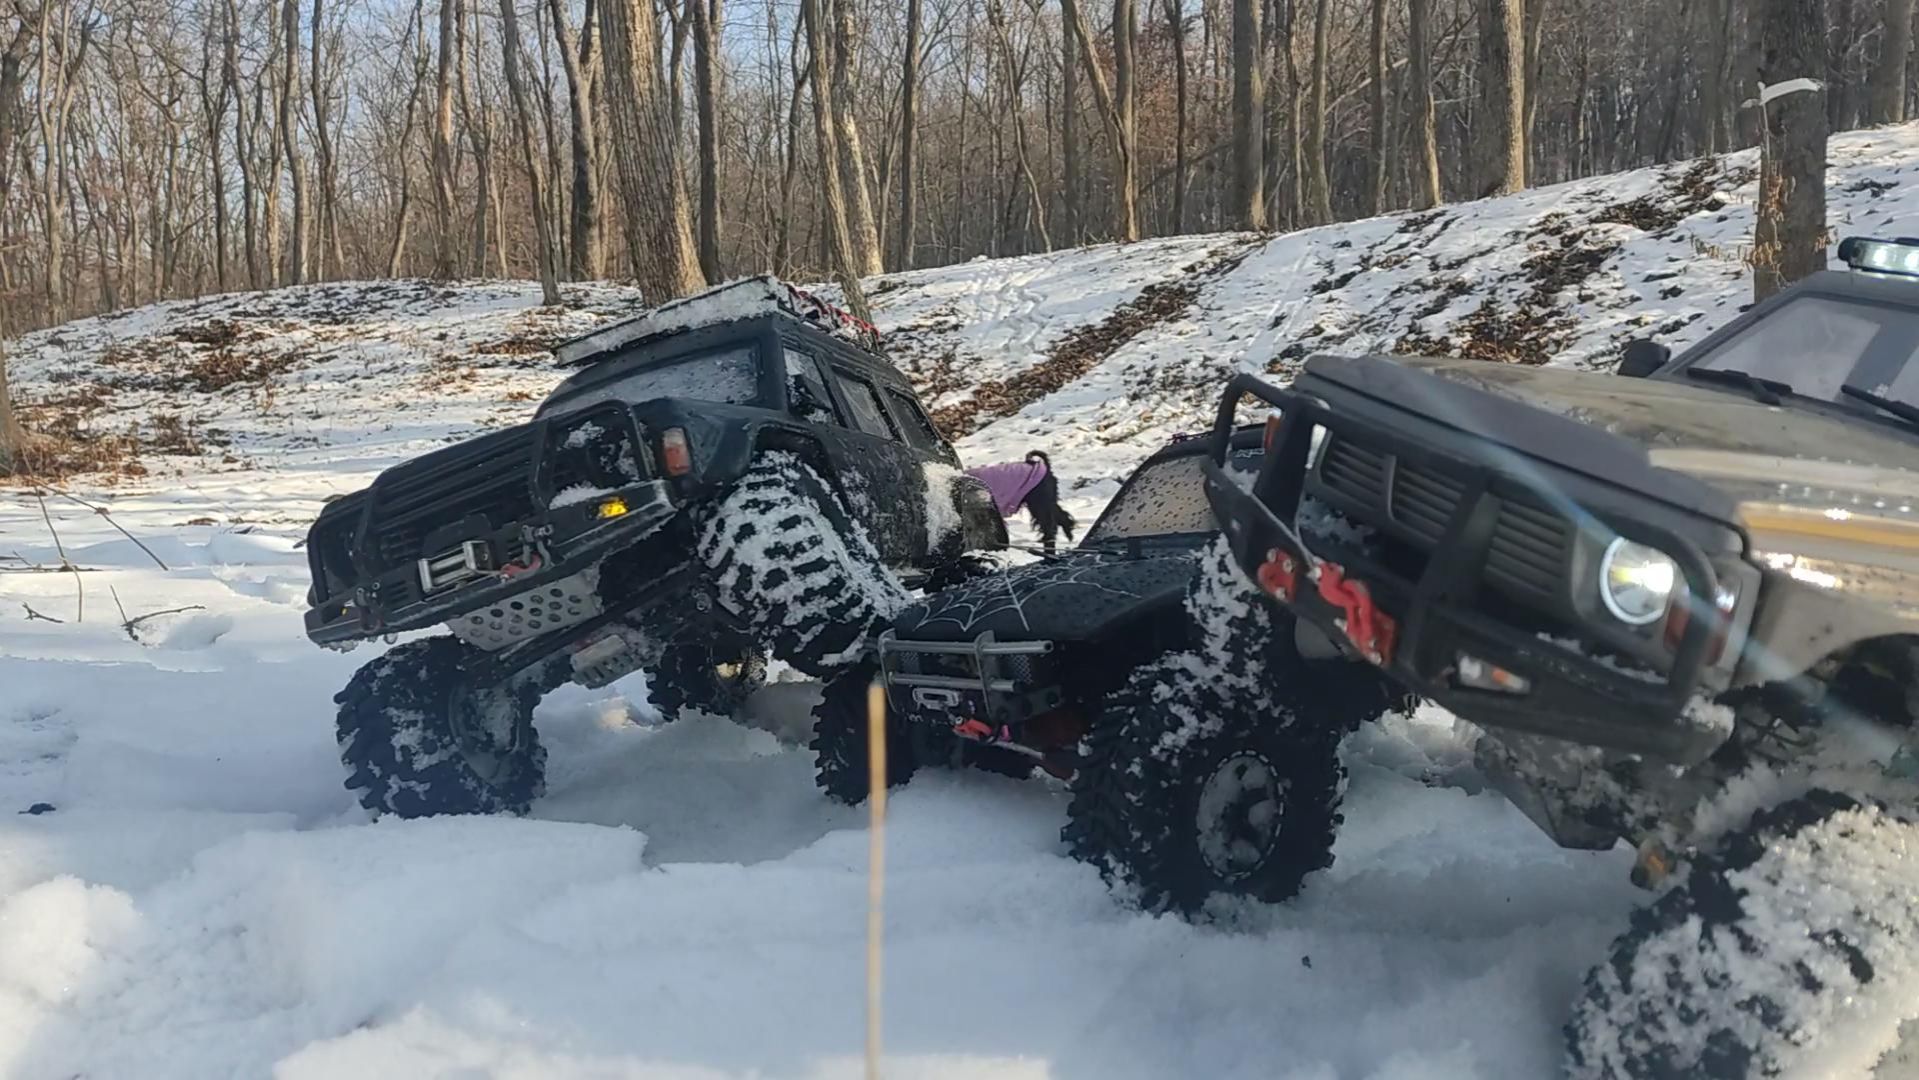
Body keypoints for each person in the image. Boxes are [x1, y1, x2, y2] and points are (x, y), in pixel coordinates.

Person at [965, 451, 1077, 553]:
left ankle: (1050, 548)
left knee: (1043, 514)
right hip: (1036, 475)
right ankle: (1065, 522)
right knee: (1047, 509)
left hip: (1033, 477)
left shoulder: (966, 486)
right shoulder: (967, 479)